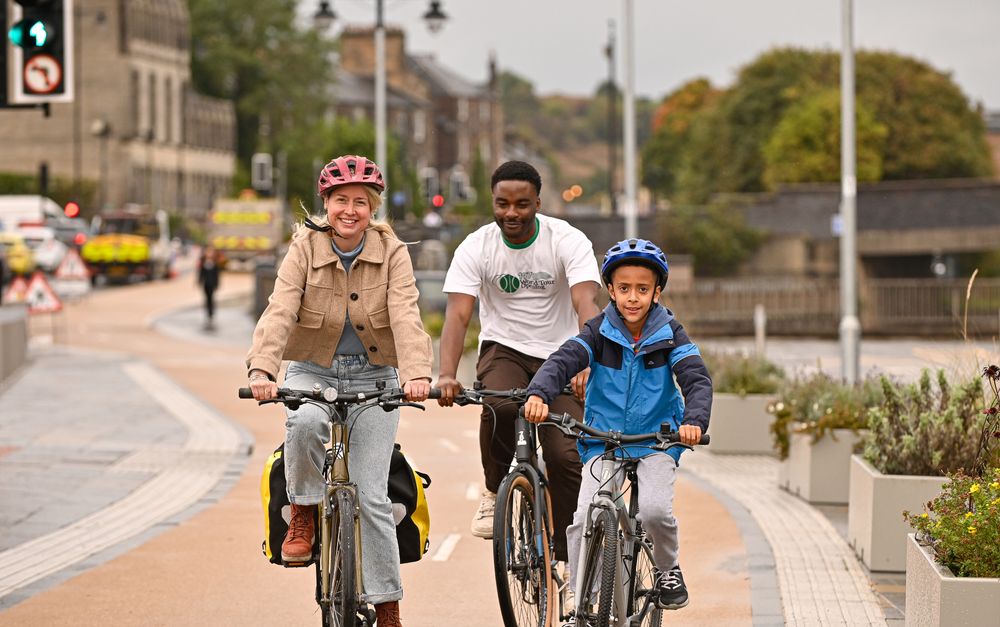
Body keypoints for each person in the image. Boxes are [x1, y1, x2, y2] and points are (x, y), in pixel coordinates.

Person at [246, 155, 432, 627]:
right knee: (305, 423)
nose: (350, 210)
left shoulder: (392, 252)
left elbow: (406, 312)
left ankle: (387, 607)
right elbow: (280, 307)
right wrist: (263, 369)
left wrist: (417, 373)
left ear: (373, 209)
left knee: (371, 495)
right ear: (325, 203)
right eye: (341, 200)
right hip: (313, 370)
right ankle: (304, 510)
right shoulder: (304, 248)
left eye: (361, 202)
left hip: (375, 376)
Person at [522, 238, 713, 619]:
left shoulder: (670, 334)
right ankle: (581, 600)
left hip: (657, 439)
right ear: (610, 290)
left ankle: (667, 570)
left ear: (657, 292)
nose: (632, 297)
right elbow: (564, 360)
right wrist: (539, 393)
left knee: (655, 511)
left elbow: (696, 379)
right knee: (584, 516)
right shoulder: (597, 331)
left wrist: (693, 421)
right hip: (603, 441)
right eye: (624, 288)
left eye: (642, 289)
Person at [435, 160, 601, 563]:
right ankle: (494, 490)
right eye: (503, 204)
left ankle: (566, 557)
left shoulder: (567, 240)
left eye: (522, 204)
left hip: (562, 354)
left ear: (538, 204)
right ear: (493, 202)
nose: (512, 213)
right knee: (499, 405)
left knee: (564, 455)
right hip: (504, 349)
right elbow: (458, 314)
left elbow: (586, 301)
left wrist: (587, 357)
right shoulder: (476, 246)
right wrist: (446, 374)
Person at [197, 245, 222, 329]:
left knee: (211, 298)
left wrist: (217, 284)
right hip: (206, 284)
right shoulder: (203, 262)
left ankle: (211, 312)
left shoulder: (215, 263)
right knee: (206, 298)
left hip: (212, 284)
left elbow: (217, 275)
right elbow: (201, 274)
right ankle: (207, 312)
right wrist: (199, 281)